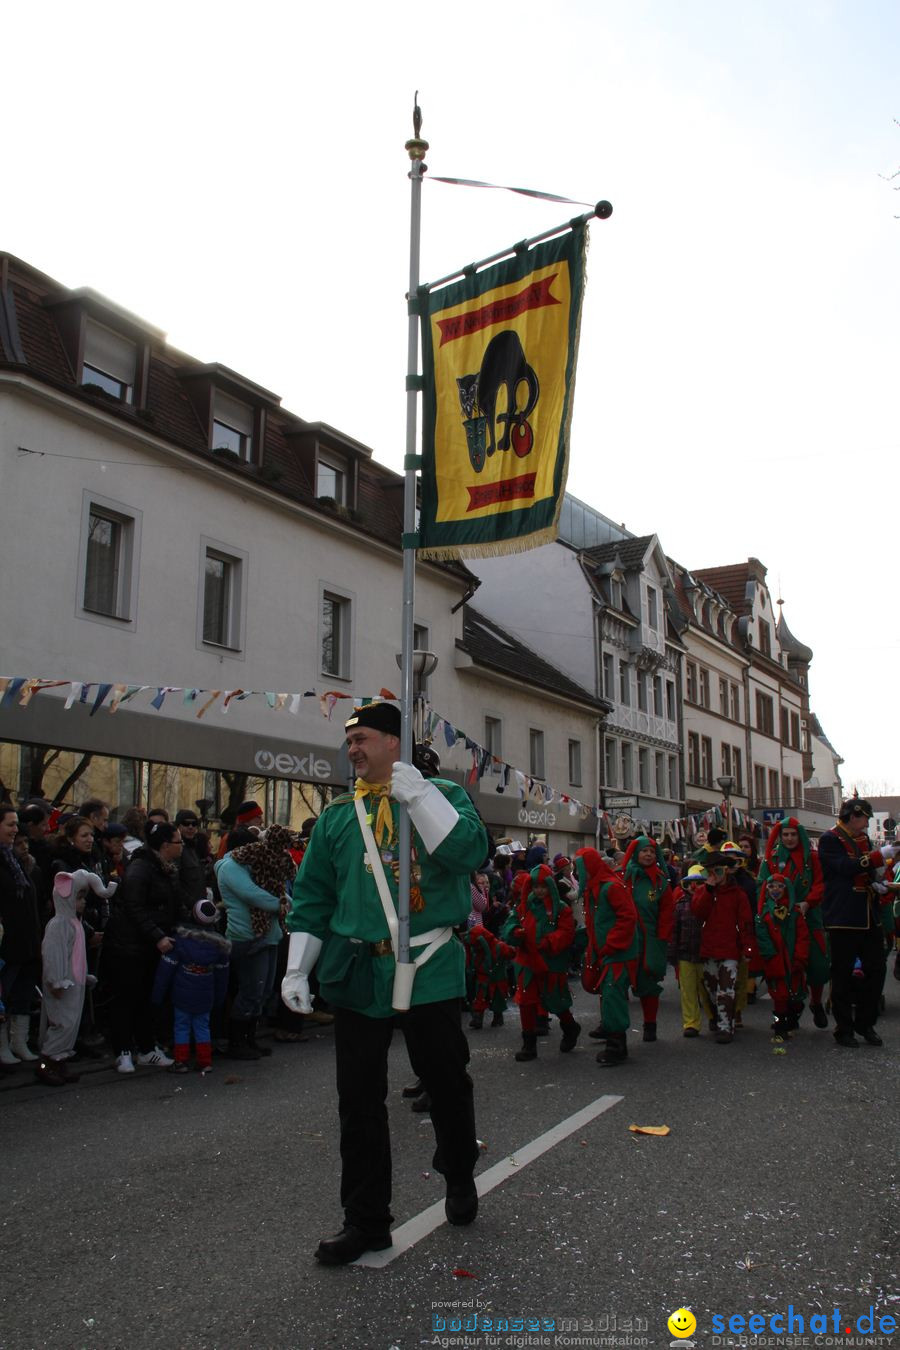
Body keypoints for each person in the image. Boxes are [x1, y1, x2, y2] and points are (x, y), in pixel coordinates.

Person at [282, 700, 488, 1266]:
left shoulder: (442, 798)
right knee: (359, 1103)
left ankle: (459, 1173)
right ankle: (366, 1220)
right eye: (350, 740)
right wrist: (298, 966)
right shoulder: (335, 818)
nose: (353, 749)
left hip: (429, 967)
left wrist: (418, 795)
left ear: (394, 743)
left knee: (446, 1082)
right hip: (357, 974)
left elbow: (470, 852)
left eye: (364, 738)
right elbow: (314, 897)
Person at [102, 821, 189, 1072]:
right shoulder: (140, 868)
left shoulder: (166, 869)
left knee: (146, 999)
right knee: (126, 998)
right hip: (128, 946)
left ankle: (147, 1048)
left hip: (150, 946)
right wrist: (157, 936)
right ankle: (123, 1050)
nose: (181, 845)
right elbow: (134, 907)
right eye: (178, 841)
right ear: (165, 845)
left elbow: (174, 904)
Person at [215, 824, 296, 1060]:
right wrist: (284, 904)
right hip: (248, 936)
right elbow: (252, 894)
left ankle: (250, 1038)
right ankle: (237, 1041)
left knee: (263, 990)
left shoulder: (253, 864)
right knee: (251, 989)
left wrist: (286, 900)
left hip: (269, 934)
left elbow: (273, 887)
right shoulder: (231, 867)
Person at [817, 799, 892, 1048]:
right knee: (842, 975)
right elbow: (844, 867)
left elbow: (865, 873)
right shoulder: (830, 839)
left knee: (876, 970)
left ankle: (865, 1023)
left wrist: (877, 883)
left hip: (868, 915)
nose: (868, 823)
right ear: (853, 816)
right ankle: (844, 1028)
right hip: (843, 917)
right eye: (865, 818)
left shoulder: (863, 840)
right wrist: (877, 857)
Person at [35, 869, 117, 1086]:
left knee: (71, 1024)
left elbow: (76, 955)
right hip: (62, 983)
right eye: (79, 897)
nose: (82, 903)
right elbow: (54, 955)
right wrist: (56, 979)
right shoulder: (59, 925)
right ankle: (47, 1063)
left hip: (74, 982)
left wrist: (84, 975)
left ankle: (59, 1063)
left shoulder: (75, 924)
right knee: (62, 1023)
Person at [503, 864, 581, 1061]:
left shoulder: (560, 909)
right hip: (527, 962)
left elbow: (566, 933)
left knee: (555, 999)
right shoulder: (522, 907)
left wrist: (547, 942)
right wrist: (515, 933)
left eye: (543, 886)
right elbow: (509, 925)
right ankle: (529, 1045)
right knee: (526, 1002)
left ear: (550, 887)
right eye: (535, 886)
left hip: (551, 963)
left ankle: (570, 1028)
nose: (539, 890)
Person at [758, 817, 828, 1028]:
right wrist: (766, 910)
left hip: (809, 916)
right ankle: (786, 1015)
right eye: (785, 835)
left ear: (800, 835)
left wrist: (809, 902)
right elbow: (762, 885)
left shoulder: (812, 858)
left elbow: (820, 884)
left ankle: (816, 1002)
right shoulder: (771, 858)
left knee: (817, 965)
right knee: (784, 969)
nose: (789, 839)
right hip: (781, 921)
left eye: (793, 834)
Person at [152, 896, 231, 1074]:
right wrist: (219, 997)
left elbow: (165, 970)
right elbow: (222, 975)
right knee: (203, 1025)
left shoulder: (180, 941)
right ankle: (205, 1060)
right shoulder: (219, 947)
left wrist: (157, 994)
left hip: (182, 993)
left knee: (181, 1025)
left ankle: (181, 1060)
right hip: (206, 993)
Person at [575, 846, 638, 1068]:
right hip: (604, 950)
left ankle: (616, 1045)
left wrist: (611, 943)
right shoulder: (592, 890)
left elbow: (628, 917)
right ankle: (611, 1033)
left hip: (618, 951)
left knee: (613, 993)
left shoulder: (610, 887)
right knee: (607, 992)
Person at [690, 856, 755, 1044]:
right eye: (711, 871)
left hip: (730, 950)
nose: (715, 875)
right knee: (711, 989)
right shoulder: (703, 891)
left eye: (718, 870)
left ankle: (726, 1027)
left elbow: (746, 923)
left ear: (726, 871)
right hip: (709, 949)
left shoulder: (738, 894)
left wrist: (748, 948)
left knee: (725, 991)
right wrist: (709, 890)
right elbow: (698, 912)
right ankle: (721, 1017)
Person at [0, 805, 43, 1067]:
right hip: (6, 941)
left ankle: (19, 1042)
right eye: (10, 825)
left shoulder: (13, 858)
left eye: (16, 825)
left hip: (25, 938)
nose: (15, 830)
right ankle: (3, 1046)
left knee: (23, 993)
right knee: (3, 995)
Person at [622, 835, 675, 1042]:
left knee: (649, 982)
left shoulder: (660, 880)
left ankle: (650, 1024)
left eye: (652, 852)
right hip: (625, 938)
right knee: (616, 982)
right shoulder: (624, 876)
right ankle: (613, 1027)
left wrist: (661, 939)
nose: (648, 855)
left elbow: (666, 912)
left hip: (650, 940)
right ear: (636, 853)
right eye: (644, 851)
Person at [754, 872, 809, 1042]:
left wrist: (800, 957)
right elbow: (762, 938)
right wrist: (770, 957)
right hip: (775, 962)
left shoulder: (795, 913)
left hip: (793, 960)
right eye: (771, 886)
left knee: (796, 996)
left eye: (779, 886)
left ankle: (791, 1021)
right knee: (779, 998)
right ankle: (779, 1026)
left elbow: (803, 936)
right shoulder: (763, 914)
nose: (775, 890)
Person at [667, 864, 713, 1039]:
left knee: (708, 989)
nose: (695, 887)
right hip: (685, 953)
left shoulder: (711, 903)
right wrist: (672, 953)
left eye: (699, 882)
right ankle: (691, 1023)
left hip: (705, 954)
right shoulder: (680, 905)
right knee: (688, 991)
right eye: (691, 883)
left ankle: (713, 1017)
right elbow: (674, 931)